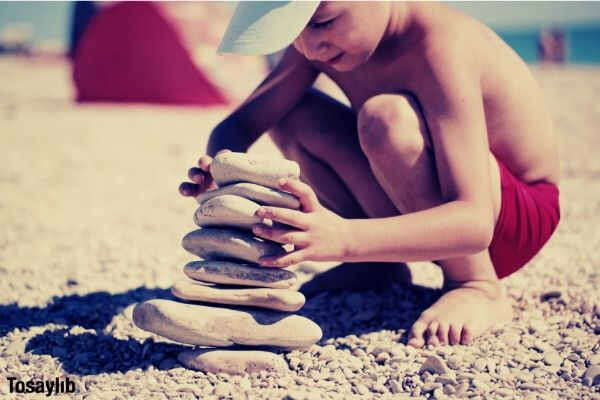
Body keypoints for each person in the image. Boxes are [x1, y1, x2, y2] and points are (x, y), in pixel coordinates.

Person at [179, 1, 560, 347]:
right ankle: (380, 266)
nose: (311, 47)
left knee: (385, 120)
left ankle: (475, 284)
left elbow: (476, 222)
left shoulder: (441, 45)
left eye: (322, 21)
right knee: (294, 113)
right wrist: (221, 170)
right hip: (440, 209)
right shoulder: (318, 43)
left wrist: (344, 238)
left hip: (509, 219)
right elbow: (241, 124)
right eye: (294, 30)